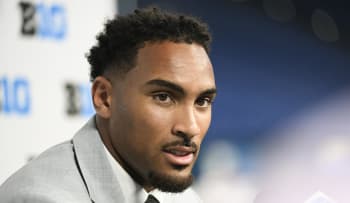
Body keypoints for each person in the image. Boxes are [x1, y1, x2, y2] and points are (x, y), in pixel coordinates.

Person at [0, 7, 216, 203]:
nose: (190, 127)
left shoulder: (184, 198)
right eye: (163, 97)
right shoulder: (43, 198)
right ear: (104, 98)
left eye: (202, 101)